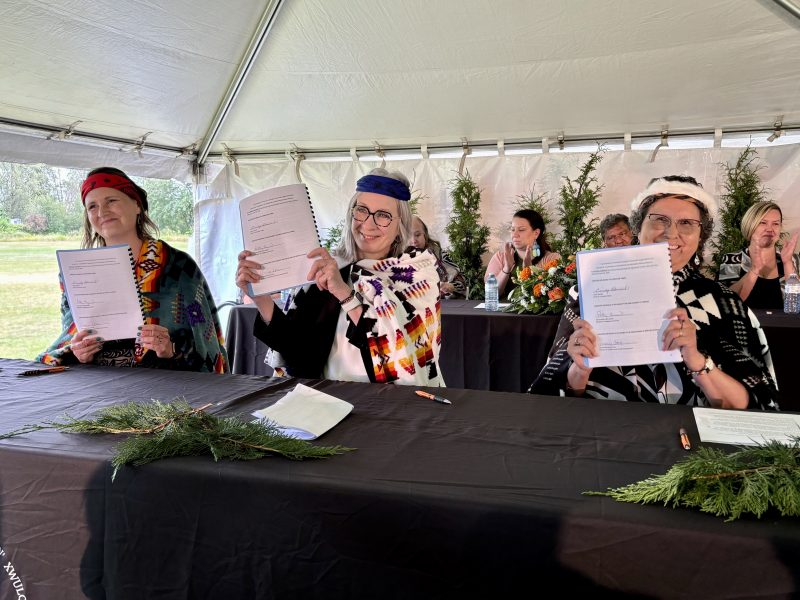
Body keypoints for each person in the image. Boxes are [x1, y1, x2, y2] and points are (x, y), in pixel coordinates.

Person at [530, 175, 778, 410]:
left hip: (691, 446)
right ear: (638, 227)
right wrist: (579, 371)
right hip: (602, 436)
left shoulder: (724, 303)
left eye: (686, 223)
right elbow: (553, 397)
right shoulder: (587, 292)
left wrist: (698, 361)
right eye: (659, 219)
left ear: (700, 236)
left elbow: (754, 405)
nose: (671, 233)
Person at [236, 168, 444, 385]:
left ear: (400, 225)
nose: (368, 224)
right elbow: (296, 350)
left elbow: (402, 351)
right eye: (362, 210)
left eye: (383, 215)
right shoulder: (332, 267)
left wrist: (345, 294)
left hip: (390, 405)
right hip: (328, 401)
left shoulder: (416, 273)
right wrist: (260, 295)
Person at [38, 167, 228, 373]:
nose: (102, 212)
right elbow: (70, 335)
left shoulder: (179, 267)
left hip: (166, 384)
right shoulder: (76, 271)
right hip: (98, 384)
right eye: (92, 206)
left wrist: (170, 348)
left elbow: (205, 343)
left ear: (137, 205)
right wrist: (79, 351)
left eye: (111, 201)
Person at [717, 201, 799, 309]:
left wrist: (787, 263)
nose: (770, 229)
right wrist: (754, 271)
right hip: (747, 325)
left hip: (783, 326)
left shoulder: (793, 260)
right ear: (750, 225)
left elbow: (794, 306)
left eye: (775, 223)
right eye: (763, 222)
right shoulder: (732, 259)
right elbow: (728, 303)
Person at [484, 209, 561, 300]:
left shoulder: (552, 259)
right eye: (512, 229)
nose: (515, 235)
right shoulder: (500, 257)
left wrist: (529, 272)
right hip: (503, 313)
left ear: (536, 233)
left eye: (521, 230)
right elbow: (491, 294)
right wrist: (506, 269)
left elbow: (553, 296)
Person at [411, 215, 466, 298]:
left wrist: (451, 286)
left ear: (425, 235)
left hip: (444, 306)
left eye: (417, 235)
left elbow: (462, 283)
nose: (413, 240)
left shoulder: (439, 255)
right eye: (407, 236)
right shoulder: (394, 259)